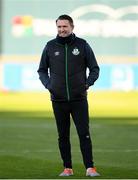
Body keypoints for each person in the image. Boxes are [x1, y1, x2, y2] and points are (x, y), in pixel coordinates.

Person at [37, 14, 100, 177]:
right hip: (58, 100)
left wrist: (87, 84)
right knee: (62, 135)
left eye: (65, 26)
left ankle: (90, 168)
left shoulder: (83, 45)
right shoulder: (50, 46)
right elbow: (42, 70)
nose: (62, 29)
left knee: (84, 134)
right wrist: (49, 85)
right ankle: (67, 168)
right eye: (59, 26)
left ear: (72, 27)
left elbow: (94, 68)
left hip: (79, 99)